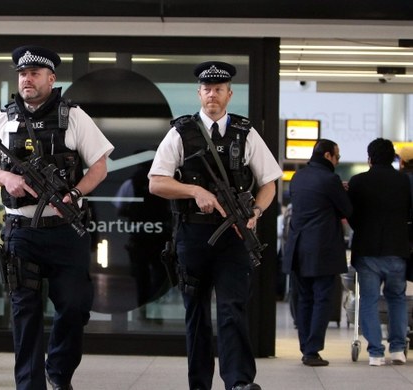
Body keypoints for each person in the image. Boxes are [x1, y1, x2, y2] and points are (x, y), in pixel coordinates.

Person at [0, 45, 113, 390]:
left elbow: (100, 166)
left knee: (75, 308)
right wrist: (6, 178)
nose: (26, 79)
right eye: (22, 73)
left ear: (51, 78)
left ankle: (58, 372)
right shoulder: (4, 119)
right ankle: (29, 385)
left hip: (65, 229)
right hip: (22, 230)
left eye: (34, 73)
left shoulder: (73, 116)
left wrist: (75, 193)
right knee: (25, 313)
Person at [147, 61, 281, 390]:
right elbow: (156, 182)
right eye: (207, 89)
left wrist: (256, 212)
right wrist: (194, 190)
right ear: (199, 93)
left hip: (235, 235)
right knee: (196, 315)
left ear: (229, 94)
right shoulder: (180, 132)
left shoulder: (245, 133)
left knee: (234, 308)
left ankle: (238, 382)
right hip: (193, 234)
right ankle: (199, 384)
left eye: (218, 90)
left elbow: (269, 183)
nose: (212, 95)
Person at [281, 139, 352, 367]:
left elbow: (312, 201)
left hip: (298, 247)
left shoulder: (298, 177)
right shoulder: (330, 179)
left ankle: (305, 347)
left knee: (304, 299)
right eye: (337, 157)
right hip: (322, 248)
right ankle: (312, 350)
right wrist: (340, 191)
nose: (337, 161)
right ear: (329, 155)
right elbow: (347, 209)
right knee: (322, 299)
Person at [346, 138, 411, 366]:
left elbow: (350, 214)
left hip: (367, 251)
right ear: (393, 157)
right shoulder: (404, 181)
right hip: (397, 249)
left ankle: (375, 353)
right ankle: (398, 350)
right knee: (397, 299)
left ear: (370, 158)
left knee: (369, 300)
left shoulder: (358, 182)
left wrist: (362, 229)